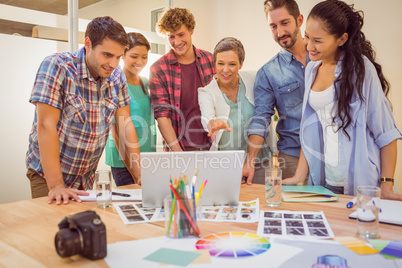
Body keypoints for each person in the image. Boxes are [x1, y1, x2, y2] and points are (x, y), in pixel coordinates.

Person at [283, 0, 402, 200]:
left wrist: (387, 186)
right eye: (307, 37)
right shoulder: (312, 70)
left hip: (361, 182)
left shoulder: (361, 70)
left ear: (342, 39)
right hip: (325, 181)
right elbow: (311, 128)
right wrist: (299, 176)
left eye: (318, 41)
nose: (309, 46)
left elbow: (386, 134)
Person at [25, 16, 141, 205]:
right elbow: (46, 126)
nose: (114, 64)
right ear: (88, 43)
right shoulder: (57, 66)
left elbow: (124, 126)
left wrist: (139, 175)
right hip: (48, 177)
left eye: (118, 57)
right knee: (52, 231)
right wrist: (56, 185)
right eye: (107, 55)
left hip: (85, 179)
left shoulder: (116, 75)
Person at [242, 0, 310, 184]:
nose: (280, 33)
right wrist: (250, 161)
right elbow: (261, 118)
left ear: (300, 20)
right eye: (273, 26)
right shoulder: (267, 72)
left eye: (285, 23)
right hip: (292, 156)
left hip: (332, 155)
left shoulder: (324, 57)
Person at [198, 37, 273, 184]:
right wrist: (213, 124)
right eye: (220, 64)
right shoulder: (206, 91)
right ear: (214, 64)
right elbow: (207, 117)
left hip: (261, 161)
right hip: (227, 165)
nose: (225, 70)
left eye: (232, 64)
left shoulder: (253, 78)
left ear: (241, 64)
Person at [149, 8, 215, 152]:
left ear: (191, 30)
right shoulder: (158, 69)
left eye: (181, 35)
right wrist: (178, 154)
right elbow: (162, 115)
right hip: (180, 149)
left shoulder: (210, 60)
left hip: (213, 147)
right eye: (171, 37)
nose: (177, 42)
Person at [105, 32, 156, 186]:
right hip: (124, 161)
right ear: (123, 55)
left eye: (144, 56)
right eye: (134, 56)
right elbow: (117, 133)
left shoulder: (147, 83)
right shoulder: (114, 83)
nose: (140, 61)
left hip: (148, 158)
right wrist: (135, 172)